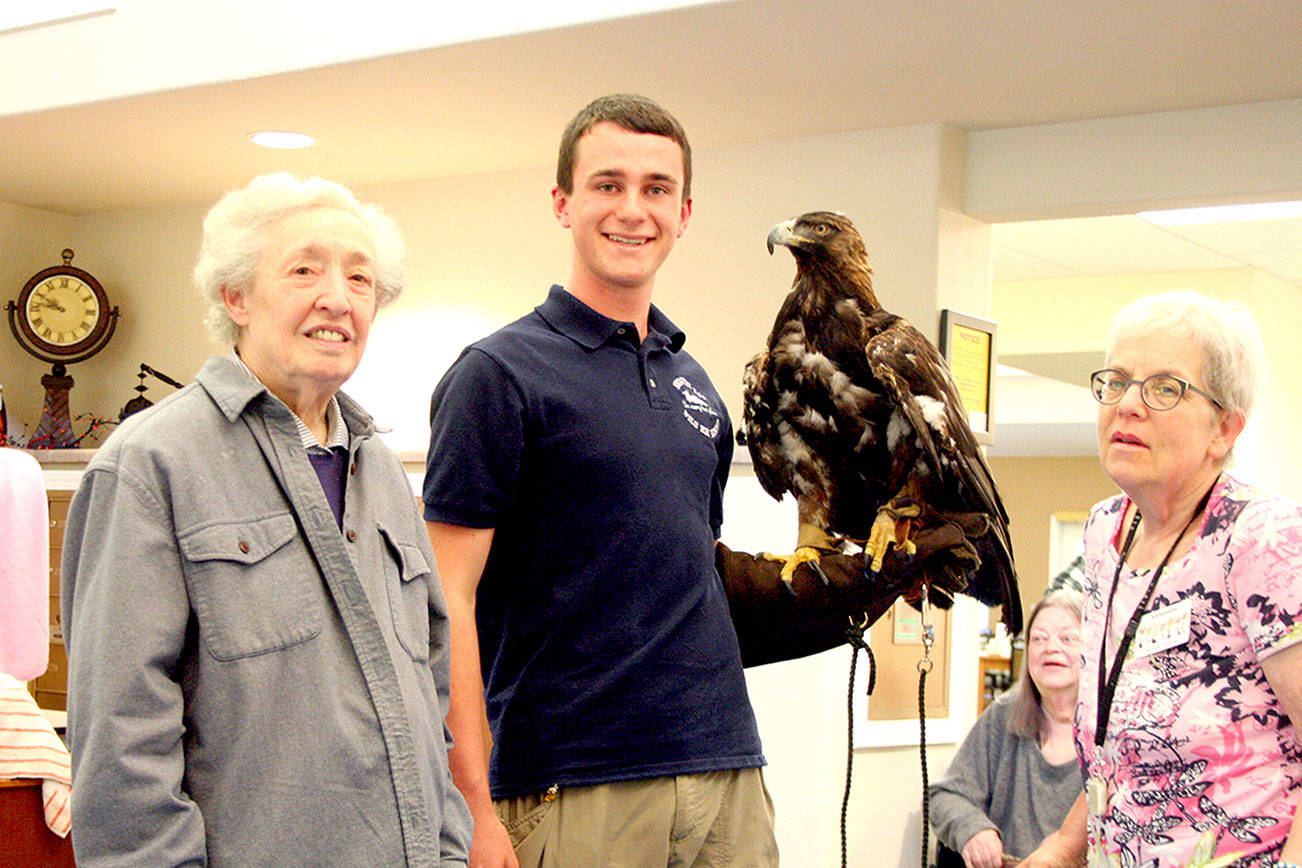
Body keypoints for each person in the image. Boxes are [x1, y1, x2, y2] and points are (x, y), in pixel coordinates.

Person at [61, 173, 473, 866]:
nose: (337, 299)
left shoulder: (380, 469)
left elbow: (431, 699)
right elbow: (120, 737)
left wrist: (449, 847)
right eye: (305, 269)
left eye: (360, 279)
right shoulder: (151, 463)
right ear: (236, 297)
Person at [423, 92, 783, 868]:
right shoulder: (498, 374)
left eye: (657, 189)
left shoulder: (696, 384)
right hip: (571, 780)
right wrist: (471, 808)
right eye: (608, 184)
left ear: (685, 212)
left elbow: (690, 571)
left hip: (725, 768)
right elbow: (443, 599)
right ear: (563, 203)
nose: (634, 209)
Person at [1019, 290, 1302, 867]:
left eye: (1165, 388)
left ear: (1225, 428)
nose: (1127, 405)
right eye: (1116, 381)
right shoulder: (1105, 533)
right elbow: (1123, 751)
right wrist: (1066, 846)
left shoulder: (1261, 537)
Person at [930, 591, 1085, 868]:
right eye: (1038, 638)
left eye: (1067, 638)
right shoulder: (1003, 715)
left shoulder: (1114, 733)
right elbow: (946, 796)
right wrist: (973, 829)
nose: (1051, 647)